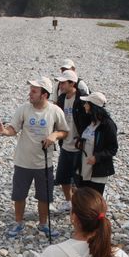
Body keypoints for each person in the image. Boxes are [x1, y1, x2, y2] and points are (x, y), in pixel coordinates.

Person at [0, 77, 69, 238]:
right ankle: (18, 223)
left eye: (34, 91)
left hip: (44, 163)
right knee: (19, 195)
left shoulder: (55, 111)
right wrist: (4, 131)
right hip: (23, 161)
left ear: (44, 95)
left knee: (44, 196)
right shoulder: (23, 109)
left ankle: (43, 224)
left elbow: (65, 131)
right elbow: (13, 129)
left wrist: (55, 135)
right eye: (30, 90)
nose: (30, 94)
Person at [54, 69, 90, 210]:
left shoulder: (82, 99)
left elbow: (89, 121)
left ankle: (80, 205)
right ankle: (69, 202)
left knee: (78, 179)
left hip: (79, 146)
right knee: (63, 177)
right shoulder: (62, 99)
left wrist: (83, 139)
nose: (60, 86)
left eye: (63, 83)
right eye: (60, 83)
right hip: (65, 144)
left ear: (72, 83)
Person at [76, 92, 118, 196]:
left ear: (93, 106)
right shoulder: (89, 120)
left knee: (94, 198)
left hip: (98, 170)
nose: (84, 105)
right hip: (84, 166)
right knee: (83, 197)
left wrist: (97, 157)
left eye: (87, 103)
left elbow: (113, 148)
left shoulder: (108, 125)